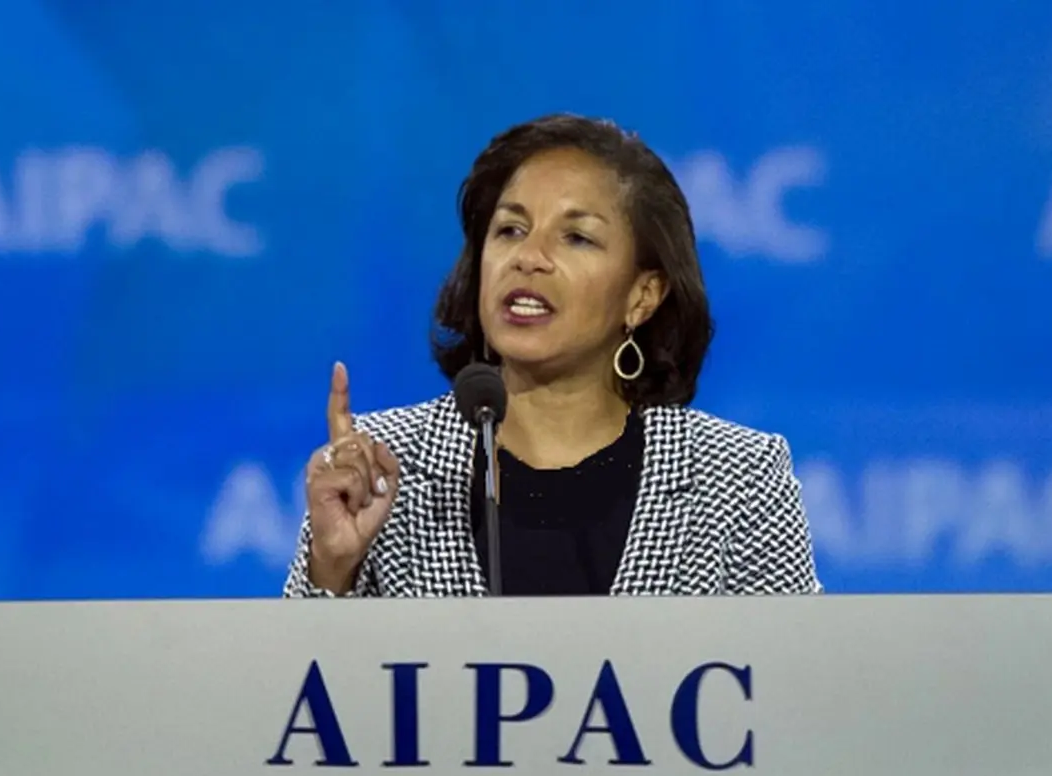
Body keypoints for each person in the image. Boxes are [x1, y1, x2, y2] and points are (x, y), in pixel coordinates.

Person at [284, 113, 823, 598]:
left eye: (577, 238)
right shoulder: (381, 467)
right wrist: (332, 567)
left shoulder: (739, 479)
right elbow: (298, 676)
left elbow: (800, 667)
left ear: (642, 296)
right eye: (510, 230)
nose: (529, 257)